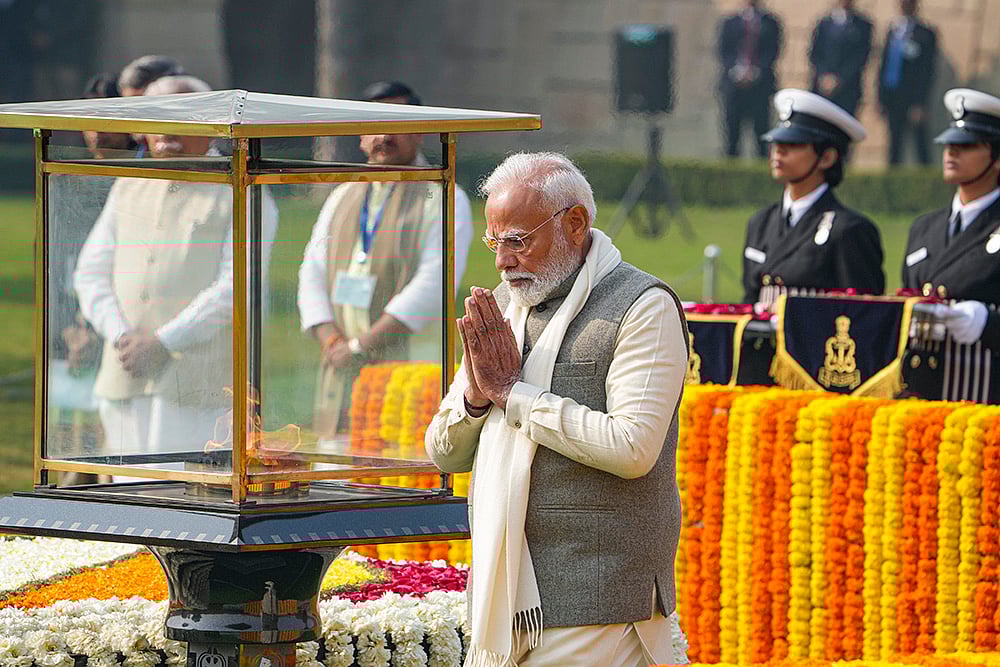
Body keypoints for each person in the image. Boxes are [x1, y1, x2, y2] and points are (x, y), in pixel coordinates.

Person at [425, 152, 688, 666]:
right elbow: (442, 453)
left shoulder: (643, 306)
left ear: (574, 223)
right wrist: (478, 398)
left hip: (603, 601)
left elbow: (634, 448)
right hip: (507, 600)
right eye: (494, 242)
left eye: (518, 241)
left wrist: (513, 395)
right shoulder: (502, 308)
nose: (502, 261)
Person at [74, 75, 279, 458]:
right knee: (126, 499)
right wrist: (121, 337)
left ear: (212, 124)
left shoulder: (241, 190)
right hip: (124, 374)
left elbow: (236, 286)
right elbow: (90, 273)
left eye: (183, 116)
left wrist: (165, 341)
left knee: (187, 497)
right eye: (158, 117)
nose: (168, 129)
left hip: (197, 387)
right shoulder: (128, 185)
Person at [297, 81, 473, 437]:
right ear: (360, 136)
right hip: (339, 361)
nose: (384, 136)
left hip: (406, 372)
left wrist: (362, 345)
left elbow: (434, 286)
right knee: (336, 468)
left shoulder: (443, 196)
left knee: (397, 466)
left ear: (421, 131)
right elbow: (311, 272)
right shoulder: (343, 195)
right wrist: (333, 341)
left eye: (397, 123)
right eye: (374, 125)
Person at [741, 88, 886, 307]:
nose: (778, 151)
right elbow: (749, 298)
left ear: (827, 157)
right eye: (777, 143)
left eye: (793, 145)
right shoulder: (761, 223)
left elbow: (863, 315)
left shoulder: (849, 230)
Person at [901, 88, 1000, 403]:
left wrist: (987, 322)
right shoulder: (924, 227)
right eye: (948, 144)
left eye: (966, 145)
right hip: (921, 390)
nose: (951, 153)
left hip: (982, 393)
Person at [716, 0, 783, 158]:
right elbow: (723, 51)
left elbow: (774, 50)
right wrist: (736, 71)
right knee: (732, 136)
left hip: (760, 86)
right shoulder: (730, 22)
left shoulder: (770, 23)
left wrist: (756, 71)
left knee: (761, 135)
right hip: (734, 86)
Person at [877, 0, 938, 166]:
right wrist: (881, 97)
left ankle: (926, 183)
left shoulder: (925, 34)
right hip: (893, 95)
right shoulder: (893, 31)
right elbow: (884, 65)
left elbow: (927, 71)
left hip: (912, 98)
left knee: (920, 143)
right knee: (894, 144)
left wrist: (920, 102)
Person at [808, 0, 873, 117]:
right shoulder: (824, 23)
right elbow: (815, 54)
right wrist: (824, 76)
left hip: (848, 91)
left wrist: (840, 79)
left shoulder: (863, 26)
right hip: (822, 89)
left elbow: (861, 57)